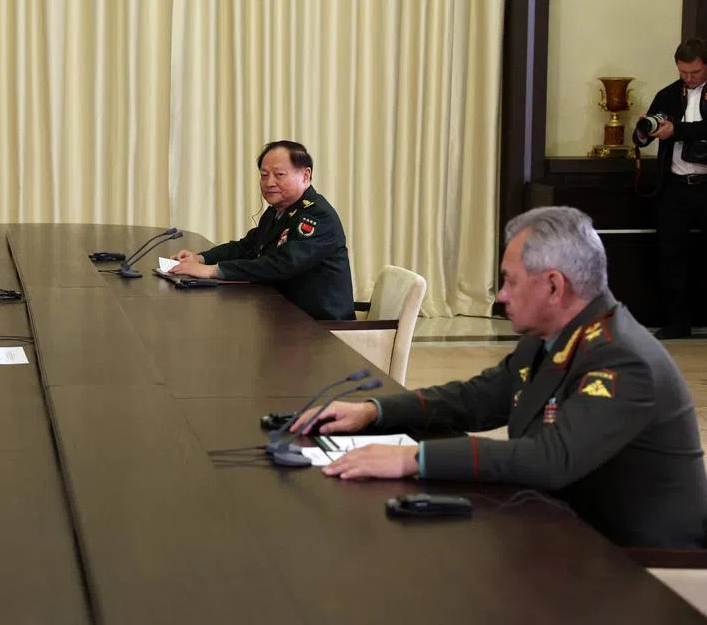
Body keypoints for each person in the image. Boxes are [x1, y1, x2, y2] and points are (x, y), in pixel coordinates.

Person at [292, 206, 707, 548]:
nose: (501, 295)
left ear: (553, 286)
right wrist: (373, 411)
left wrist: (411, 459)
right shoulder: (554, 334)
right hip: (566, 530)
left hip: (640, 564)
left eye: (509, 281)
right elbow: (476, 399)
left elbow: (550, 459)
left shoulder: (621, 358)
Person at [169, 140, 355, 320]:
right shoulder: (278, 211)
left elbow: (282, 264)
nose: (269, 183)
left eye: (279, 175)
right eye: (264, 175)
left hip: (322, 327)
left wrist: (213, 271)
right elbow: (247, 247)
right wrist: (201, 258)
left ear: (305, 176)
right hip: (283, 315)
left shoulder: (317, 216)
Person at [635, 36, 707, 339]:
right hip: (675, 186)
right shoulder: (667, 94)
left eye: (695, 73)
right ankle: (677, 322)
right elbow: (649, 131)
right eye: (683, 73)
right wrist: (643, 133)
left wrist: (677, 130)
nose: (689, 79)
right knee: (671, 255)